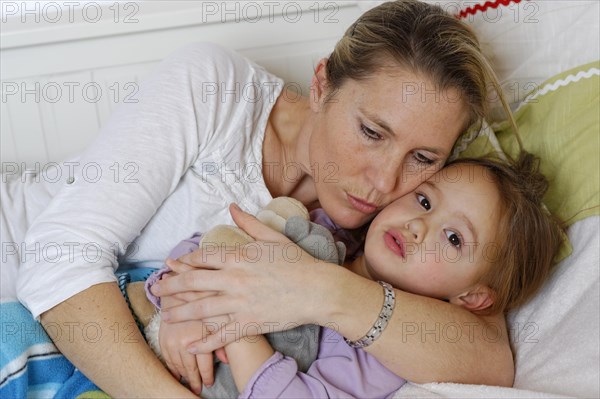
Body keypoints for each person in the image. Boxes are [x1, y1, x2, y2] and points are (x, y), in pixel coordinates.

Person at [1, 1, 520, 396]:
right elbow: (57, 262)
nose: (383, 181)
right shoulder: (215, 91)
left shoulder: (407, 222)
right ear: (322, 86)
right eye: (370, 131)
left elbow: (487, 356)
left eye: (423, 157)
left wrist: (321, 289)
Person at [149, 153, 564, 397]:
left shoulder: (378, 356)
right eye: (423, 200)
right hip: (142, 342)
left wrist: (235, 327)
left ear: (473, 297)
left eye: (454, 238)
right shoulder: (326, 229)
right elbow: (205, 244)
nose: (420, 225)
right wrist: (175, 303)